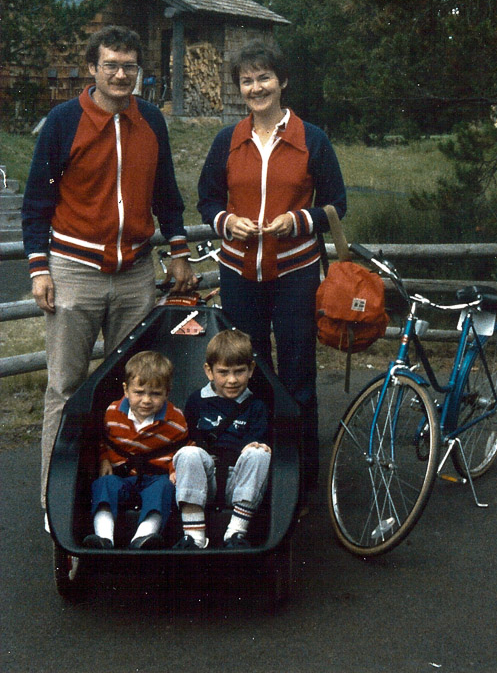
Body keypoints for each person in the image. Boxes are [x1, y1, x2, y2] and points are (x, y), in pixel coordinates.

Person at [21, 26, 197, 516]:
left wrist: (179, 253)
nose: (121, 75)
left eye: (129, 67)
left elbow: (167, 196)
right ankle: (55, 499)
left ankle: (127, 490)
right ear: (93, 69)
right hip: (74, 270)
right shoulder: (63, 121)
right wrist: (40, 269)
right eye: (111, 65)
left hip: (136, 272)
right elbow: (37, 201)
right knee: (66, 386)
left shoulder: (152, 122)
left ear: (138, 72)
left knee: (134, 384)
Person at [197, 40, 346, 491]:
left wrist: (296, 220)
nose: (256, 87)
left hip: (296, 273)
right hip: (240, 273)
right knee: (248, 369)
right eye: (247, 80)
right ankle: (253, 473)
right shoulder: (228, 139)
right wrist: (227, 221)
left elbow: (337, 204)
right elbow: (207, 200)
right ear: (239, 88)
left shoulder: (311, 139)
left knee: (298, 372)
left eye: (264, 77)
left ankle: (300, 478)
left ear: (282, 82)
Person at [172, 329, 270, 549]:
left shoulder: (256, 406)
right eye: (223, 372)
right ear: (209, 371)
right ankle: (194, 536)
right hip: (204, 479)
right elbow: (188, 439)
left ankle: (236, 532)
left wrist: (255, 448)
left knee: (259, 453)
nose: (232, 380)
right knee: (188, 453)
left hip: (238, 481)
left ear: (251, 369)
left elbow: (253, 445)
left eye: (239, 372)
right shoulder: (197, 401)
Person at [83, 351, 189, 550]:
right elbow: (104, 441)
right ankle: (104, 537)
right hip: (122, 477)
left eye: (155, 394)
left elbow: (183, 449)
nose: (146, 400)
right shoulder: (113, 413)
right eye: (139, 392)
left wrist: (175, 469)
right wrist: (105, 459)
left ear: (167, 392)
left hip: (155, 477)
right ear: (126, 390)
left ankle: (144, 536)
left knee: (164, 488)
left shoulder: (175, 420)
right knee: (103, 485)